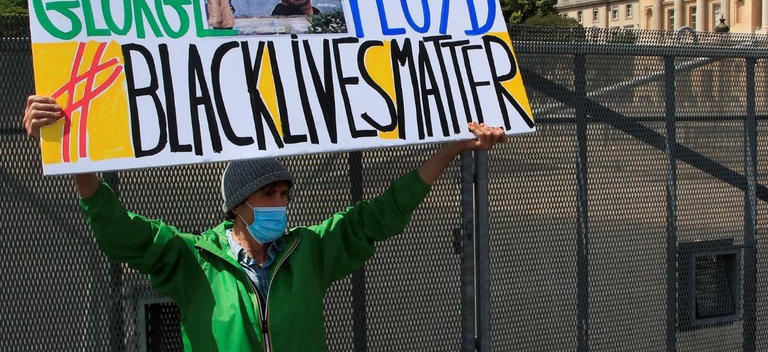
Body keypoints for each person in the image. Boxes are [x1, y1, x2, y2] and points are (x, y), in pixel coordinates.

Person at [23, 95, 505, 351]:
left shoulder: (309, 251)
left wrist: (452, 150)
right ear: (236, 205)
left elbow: (380, 215)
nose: (280, 201)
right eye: (267, 193)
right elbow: (119, 230)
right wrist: (72, 155)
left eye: (284, 192)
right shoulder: (191, 259)